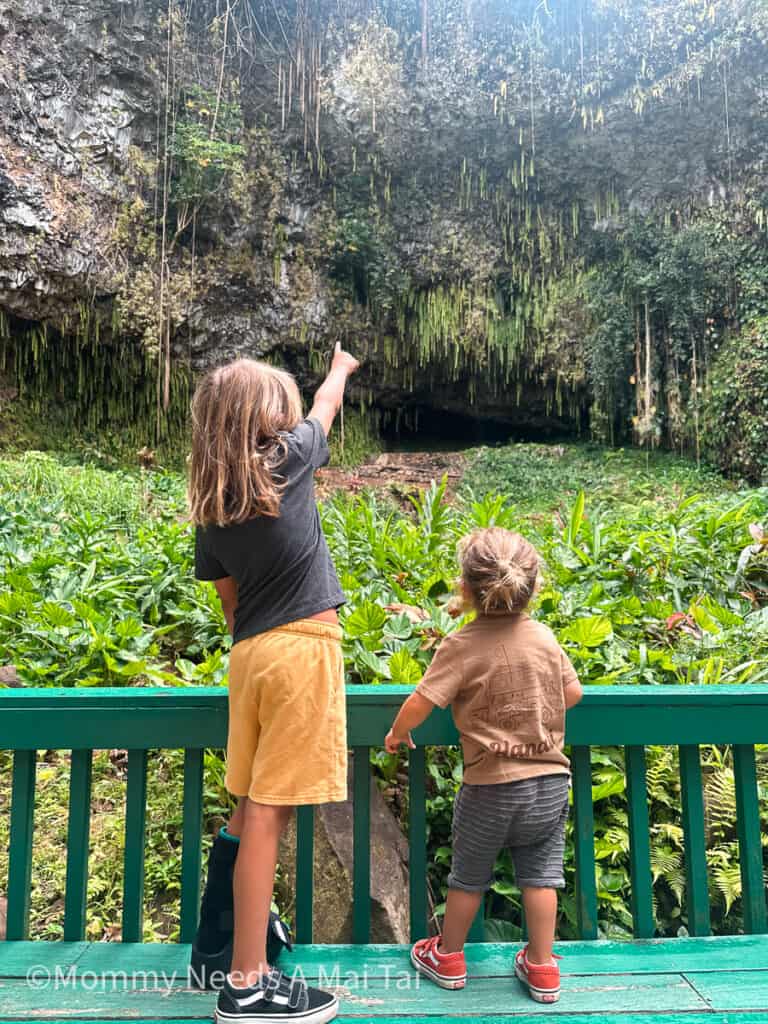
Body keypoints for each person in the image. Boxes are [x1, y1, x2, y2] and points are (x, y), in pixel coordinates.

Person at [188, 346, 359, 1024]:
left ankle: (216, 944)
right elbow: (326, 409)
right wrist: (340, 369)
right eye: (278, 405)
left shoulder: (212, 506)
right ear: (264, 419)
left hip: (251, 656)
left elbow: (230, 608)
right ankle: (247, 981)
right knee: (268, 813)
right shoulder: (288, 458)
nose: (292, 414)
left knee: (248, 807)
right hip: (299, 652)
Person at [385, 527, 583, 1004]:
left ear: (467, 589)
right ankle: (542, 967)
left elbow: (423, 700)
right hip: (550, 781)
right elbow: (573, 694)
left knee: (469, 876)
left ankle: (449, 956)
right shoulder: (543, 637)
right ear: (532, 587)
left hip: (491, 787)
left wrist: (397, 733)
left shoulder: (461, 644)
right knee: (541, 877)